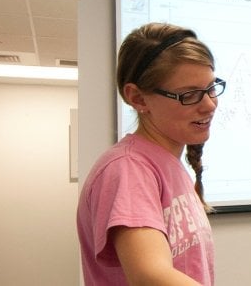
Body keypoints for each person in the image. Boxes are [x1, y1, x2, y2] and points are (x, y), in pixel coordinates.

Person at [76, 22, 224, 285]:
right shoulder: (128, 168)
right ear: (138, 98)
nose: (210, 104)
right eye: (189, 95)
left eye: (211, 88)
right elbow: (150, 276)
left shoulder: (169, 164)